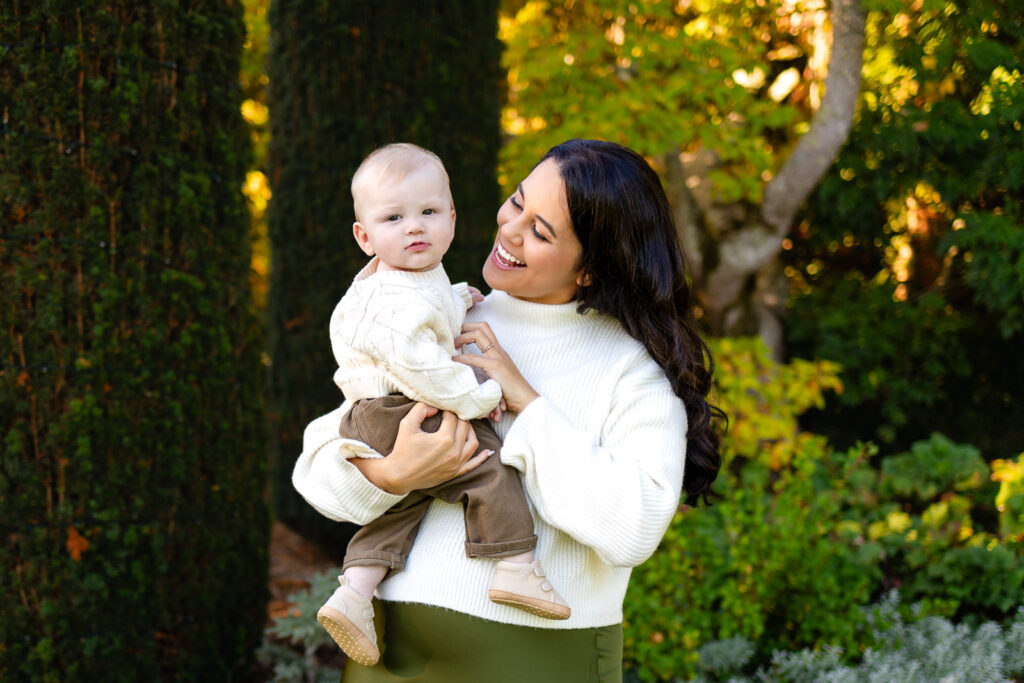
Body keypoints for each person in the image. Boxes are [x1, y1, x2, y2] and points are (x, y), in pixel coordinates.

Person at [293, 139, 722, 683]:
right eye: (518, 203)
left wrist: (527, 403)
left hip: (532, 662)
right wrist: (392, 473)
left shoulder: (628, 370)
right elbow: (317, 469)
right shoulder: (439, 312)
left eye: (541, 231)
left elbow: (633, 530)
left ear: (591, 268)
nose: (511, 231)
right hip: (388, 654)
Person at [316, 143, 570, 668]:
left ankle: (355, 590)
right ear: (365, 237)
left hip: (383, 408)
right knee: (486, 466)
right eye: (394, 218)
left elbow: (432, 306)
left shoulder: (413, 279)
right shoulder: (394, 302)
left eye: (428, 212)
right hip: (396, 406)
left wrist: (459, 299)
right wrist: (482, 397)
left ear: (452, 219)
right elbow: (425, 368)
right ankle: (514, 565)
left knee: (412, 497)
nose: (415, 227)